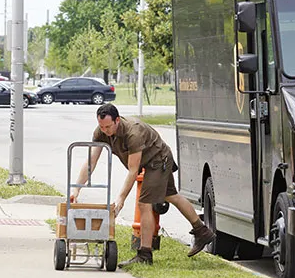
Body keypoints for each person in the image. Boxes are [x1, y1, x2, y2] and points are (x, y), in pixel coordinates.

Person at [70, 103, 215, 267]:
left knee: (144, 203)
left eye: (108, 127)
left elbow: (133, 170)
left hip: (158, 160)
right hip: (150, 161)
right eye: (101, 126)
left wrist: (120, 199)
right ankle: (202, 231)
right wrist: (76, 189)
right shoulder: (101, 132)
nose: (105, 131)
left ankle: (145, 254)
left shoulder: (134, 132)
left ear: (117, 120)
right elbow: (91, 162)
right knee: (171, 196)